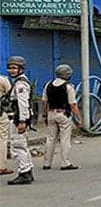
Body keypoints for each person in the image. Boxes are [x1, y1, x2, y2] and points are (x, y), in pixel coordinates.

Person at [42, 64, 83, 171]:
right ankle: (65, 163)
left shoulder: (48, 85)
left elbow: (44, 102)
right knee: (65, 139)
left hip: (51, 113)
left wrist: (45, 115)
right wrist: (79, 118)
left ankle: (47, 163)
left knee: (50, 139)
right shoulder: (68, 87)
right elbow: (73, 104)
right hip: (63, 114)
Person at [6, 56, 35, 185]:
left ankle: (24, 173)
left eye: (14, 68)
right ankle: (27, 170)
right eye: (10, 67)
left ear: (21, 69)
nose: (11, 70)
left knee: (17, 146)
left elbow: (23, 103)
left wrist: (22, 121)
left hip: (18, 118)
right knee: (22, 145)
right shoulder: (18, 82)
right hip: (18, 117)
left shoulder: (21, 84)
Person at [0, 75, 12, 175]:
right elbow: (10, 93)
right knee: (2, 139)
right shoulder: (2, 80)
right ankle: (1, 166)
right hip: (1, 113)